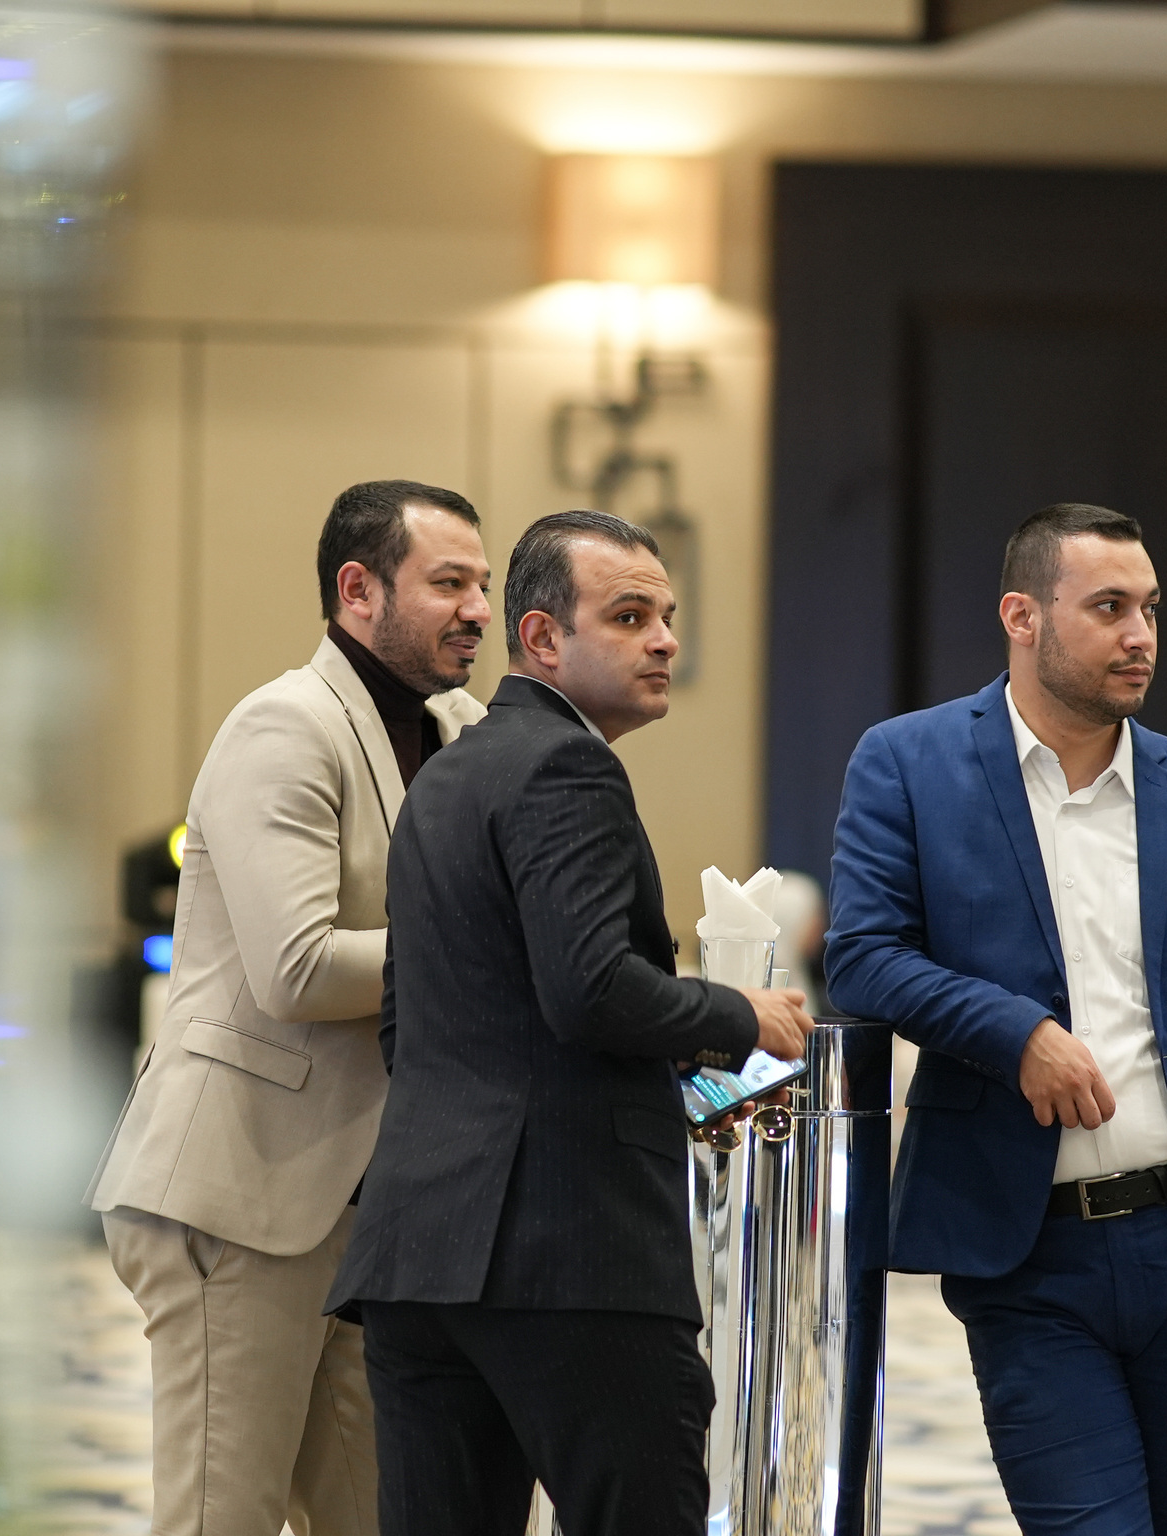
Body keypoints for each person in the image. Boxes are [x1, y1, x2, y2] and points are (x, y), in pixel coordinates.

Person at [824, 501, 1167, 1536]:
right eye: (1110, 607)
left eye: (1150, 609)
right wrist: (1013, 1032)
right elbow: (864, 956)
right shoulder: (907, 762)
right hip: (1027, 1254)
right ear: (1021, 616)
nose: (1141, 635)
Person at [325, 510, 812, 1536]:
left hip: (420, 1256)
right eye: (630, 617)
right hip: (570, 1252)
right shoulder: (567, 765)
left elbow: (411, 1027)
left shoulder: (445, 773)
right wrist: (741, 1016)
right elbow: (590, 990)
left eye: (667, 616)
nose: (665, 640)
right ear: (543, 638)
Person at [86, 480, 493, 1536]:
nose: (479, 611)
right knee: (223, 1517)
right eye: (450, 583)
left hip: (370, 1206)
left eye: (485, 586)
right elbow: (299, 970)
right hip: (241, 1190)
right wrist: (484, 954)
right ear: (359, 590)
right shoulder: (282, 725)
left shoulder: (463, 728)